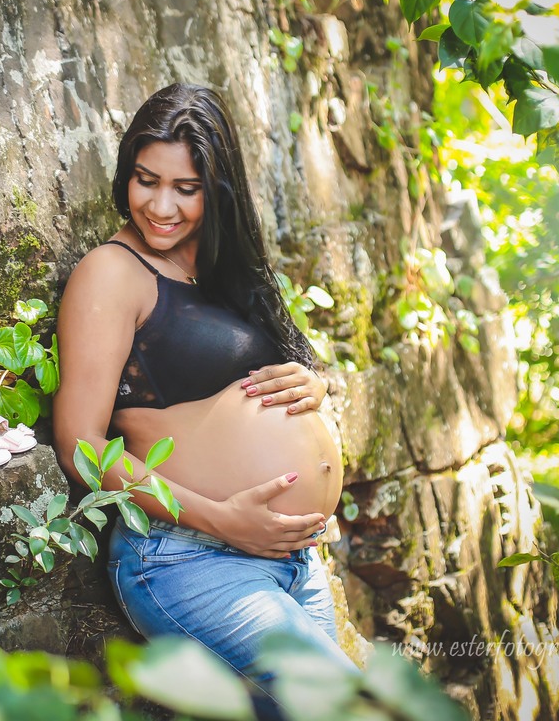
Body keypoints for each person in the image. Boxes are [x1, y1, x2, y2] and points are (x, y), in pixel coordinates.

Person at [54, 83, 359, 718]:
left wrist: (313, 381)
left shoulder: (221, 269)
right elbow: (79, 445)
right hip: (189, 557)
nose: (160, 206)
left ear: (215, 190)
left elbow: (260, 374)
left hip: (290, 562)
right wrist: (222, 519)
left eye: (185, 189)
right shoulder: (112, 273)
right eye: (145, 180)